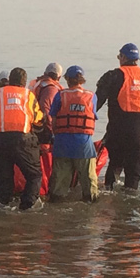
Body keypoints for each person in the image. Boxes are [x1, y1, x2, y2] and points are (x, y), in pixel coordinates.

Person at [0, 67, 45, 210]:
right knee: (34, 175)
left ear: (10, 80)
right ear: (24, 82)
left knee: (4, 178)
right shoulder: (29, 96)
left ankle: (2, 203)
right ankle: (27, 206)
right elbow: (38, 119)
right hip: (23, 140)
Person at [96, 43, 140, 190]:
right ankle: (131, 208)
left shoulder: (114, 75)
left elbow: (95, 104)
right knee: (134, 176)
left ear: (123, 57)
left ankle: (109, 195)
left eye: (119, 57)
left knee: (115, 166)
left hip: (118, 131)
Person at [48, 66, 99, 202]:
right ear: (81, 80)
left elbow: (53, 120)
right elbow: (93, 116)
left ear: (67, 80)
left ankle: (57, 206)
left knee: (59, 182)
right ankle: (91, 205)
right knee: (89, 180)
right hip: (84, 144)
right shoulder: (91, 96)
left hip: (62, 143)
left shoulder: (60, 95)